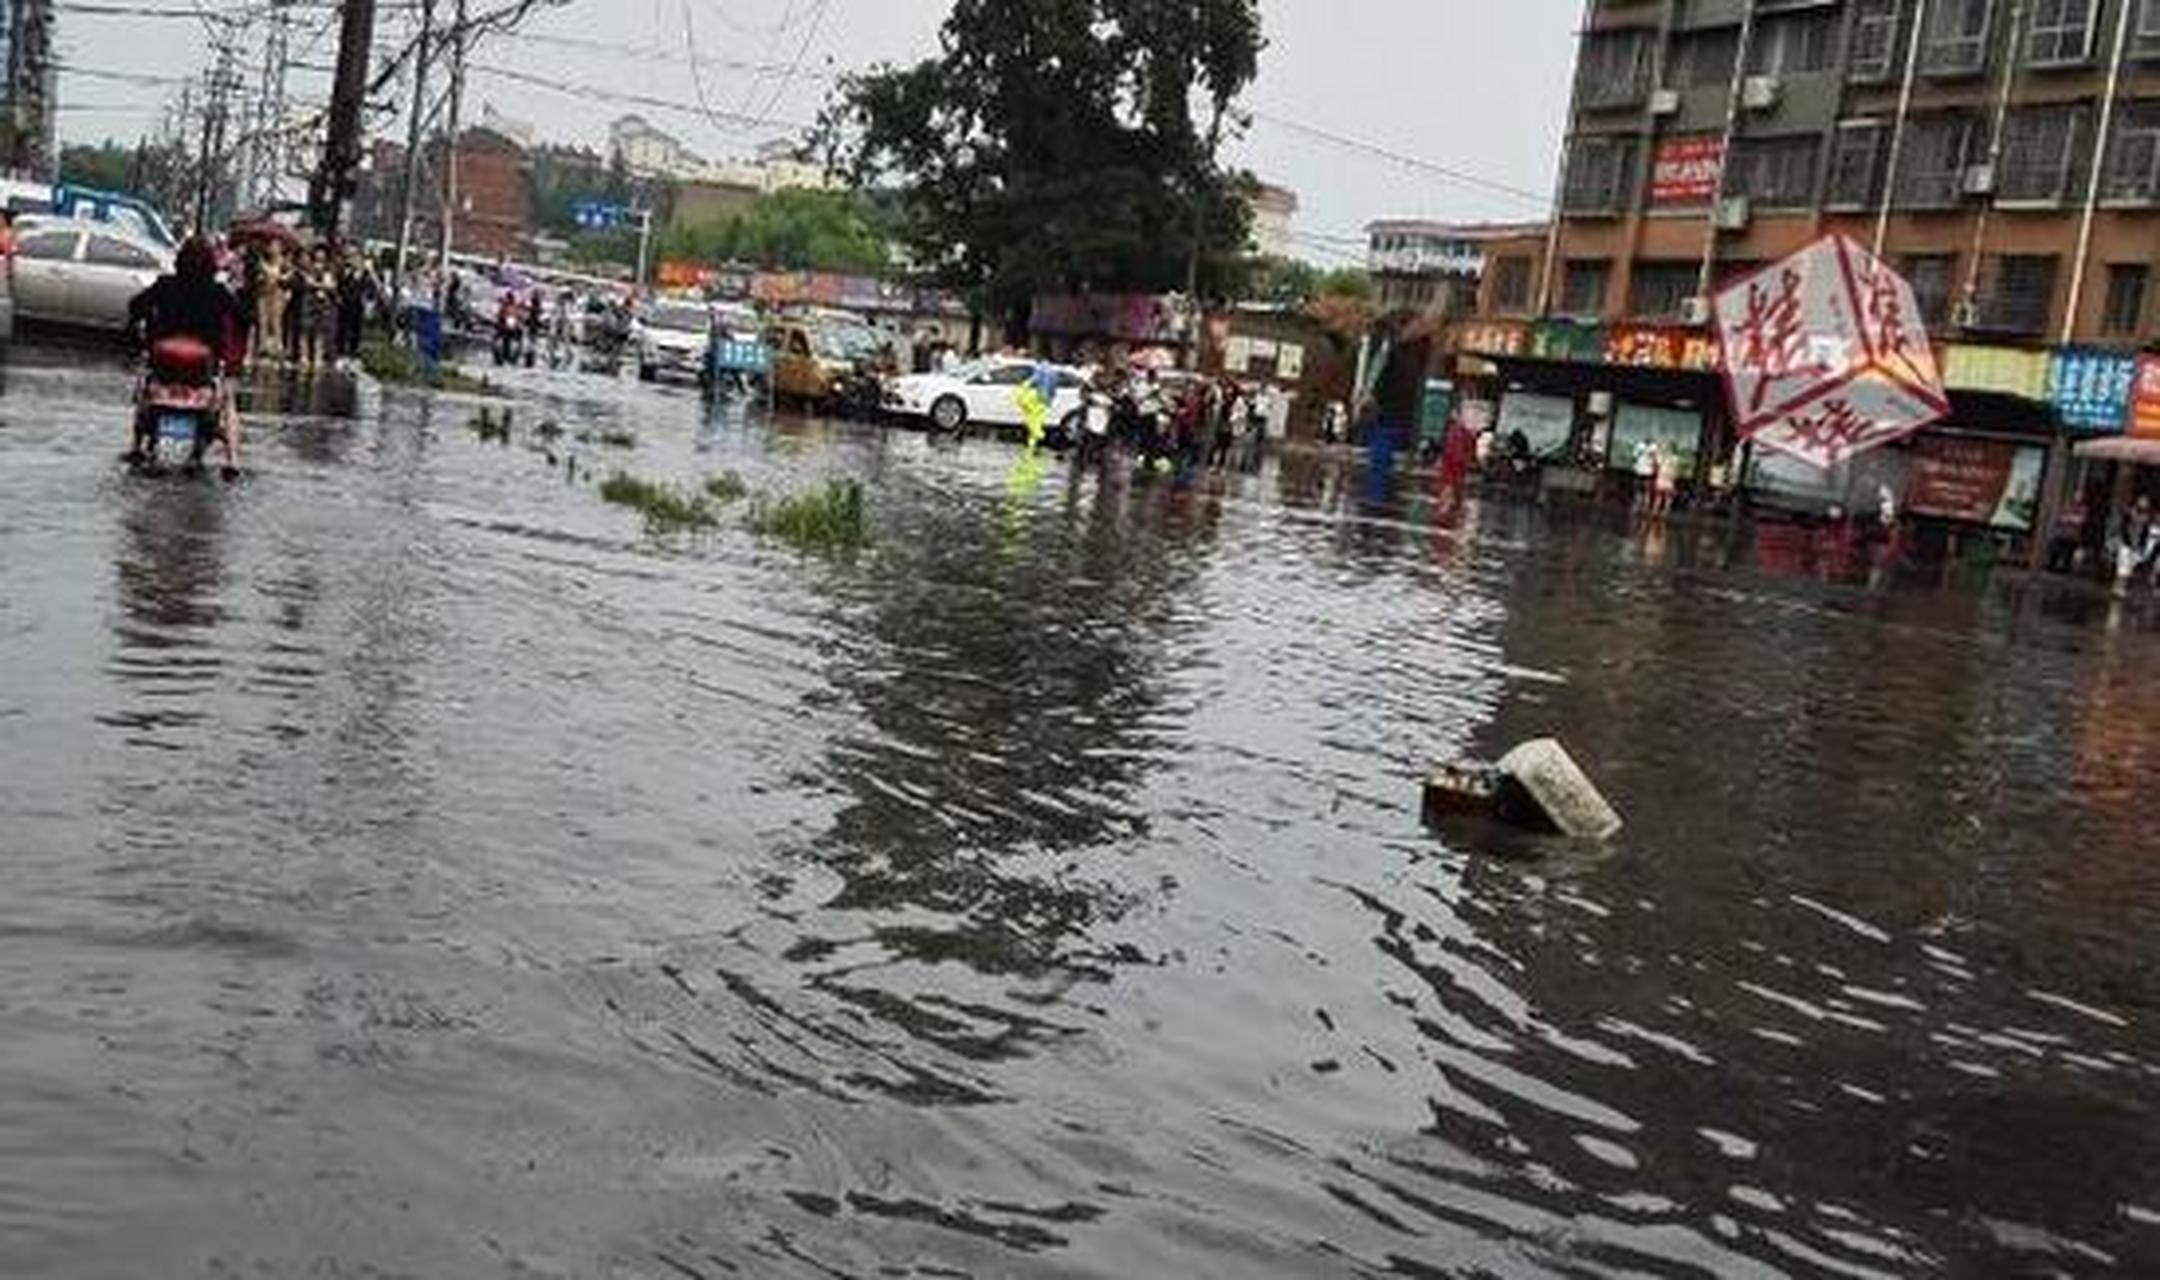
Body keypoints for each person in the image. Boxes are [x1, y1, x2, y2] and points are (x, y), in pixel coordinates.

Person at [126, 236, 245, 473]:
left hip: (164, 362)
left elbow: (136, 306)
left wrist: (142, 327)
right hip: (203, 366)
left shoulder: (165, 285)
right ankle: (232, 460)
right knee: (228, 400)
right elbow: (242, 316)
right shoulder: (218, 291)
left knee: (144, 391)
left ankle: (136, 445)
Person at [2112, 495, 2157, 595]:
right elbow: (2123, 528)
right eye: (2142, 501)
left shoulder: (2147, 518)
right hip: (2126, 543)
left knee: (2128, 568)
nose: (2144, 503)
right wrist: (2121, 540)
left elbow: (2145, 533)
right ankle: (2118, 587)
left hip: (2136, 546)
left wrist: (2142, 546)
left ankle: (2121, 586)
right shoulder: (2130, 514)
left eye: (2145, 502)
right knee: (2122, 566)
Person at [253, 241, 288, 367]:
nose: (273, 248)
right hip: (264, 294)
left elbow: (288, 279)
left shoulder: (284, 263)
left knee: (276, 322)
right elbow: (257, 279)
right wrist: (262, 277)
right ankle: (263, 350)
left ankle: (277, 351)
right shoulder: (261, 262)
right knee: (263, 321)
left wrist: (281, 278)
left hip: (277, 295)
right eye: (271, 245)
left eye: (277, 246)